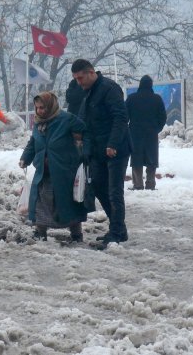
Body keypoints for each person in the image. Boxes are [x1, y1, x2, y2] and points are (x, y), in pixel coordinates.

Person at [72, 59, 132, 249]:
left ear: (91, 73)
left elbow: (121, 117)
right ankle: (119, 228)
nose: (79, 82)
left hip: (116, 150)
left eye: (80, 78)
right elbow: (84, 120)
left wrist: (113, 143)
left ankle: (116, 233)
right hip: (98, 150)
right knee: (98, 186)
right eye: (76, 79)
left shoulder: (109, 88)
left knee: (114, 192)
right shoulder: (89, 93)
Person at [19, 91, 87, 243]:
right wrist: (25, 158)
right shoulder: (38, 123)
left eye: (42, 107)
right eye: (37, 108)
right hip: (44, 172)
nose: (39, 111)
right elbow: (33, 142)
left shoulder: (66, 119)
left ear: (51, 106)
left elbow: (85, 131)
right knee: (40, 202)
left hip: (64, 171)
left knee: (68, 203)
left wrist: (81, 145)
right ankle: (40, 232)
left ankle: (76, 233)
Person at [126, 75, 167, 190]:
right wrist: (156, 129)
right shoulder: (157, 99)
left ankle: (138, 185)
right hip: (151, 134)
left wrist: (129, 129)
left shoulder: (131, 98)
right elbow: (163, 117)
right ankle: (150, 184)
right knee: (151, 159)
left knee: (136, 159)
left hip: (135, 134)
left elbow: (124, 116)